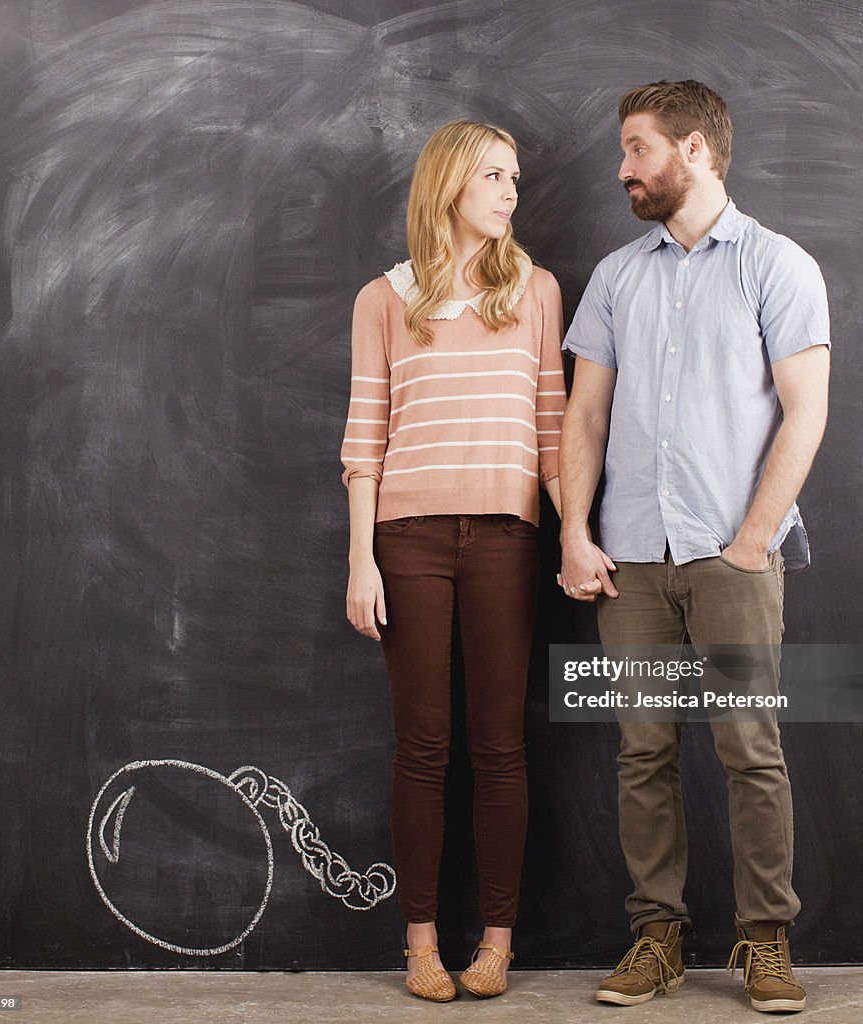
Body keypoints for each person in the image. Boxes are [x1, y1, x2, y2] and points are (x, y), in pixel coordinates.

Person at [558, 81, 830, 1014]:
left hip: (732, 556)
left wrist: (753, 541)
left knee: (750, 749)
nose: (624, 168)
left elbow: (807, 412)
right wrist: (574, 531)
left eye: (637, 148)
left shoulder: (778, 265)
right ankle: (658, 939)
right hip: (629, 562)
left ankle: (765, 942)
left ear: (695, 152)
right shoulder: (615, 276)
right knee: (643, 753)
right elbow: (584, 414)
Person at [340, 120, 565, 1001]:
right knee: (422, 748)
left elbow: (553, 431)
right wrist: (363, 560)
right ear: (449, 189)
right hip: (409, 540)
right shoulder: (382, 300)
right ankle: (422, 942)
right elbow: (365, 441)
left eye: (516, 176)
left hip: (508, 539)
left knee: (501, 747)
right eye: (494, 176)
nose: (511, 192)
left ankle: (497, 941)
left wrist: (573, 529)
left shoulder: (537, 292)